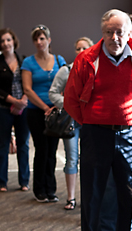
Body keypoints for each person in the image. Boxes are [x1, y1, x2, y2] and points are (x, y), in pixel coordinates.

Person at [64, 9, 132, 231]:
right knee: (93, 196)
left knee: (131, 195)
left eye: (120, 32)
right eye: (109, 32)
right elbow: (71, 100)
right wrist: (91, 121)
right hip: (96, 134)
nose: (114, 38)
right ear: (102, 33)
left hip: (131, 135)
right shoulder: (86, 60)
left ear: (130, 34)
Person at [21, 24, 66, 203]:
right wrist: (45, 108)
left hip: (56, 112)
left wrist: (56, 105)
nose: (39, 42)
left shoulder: (59, 60)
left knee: (52, 151)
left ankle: (51, 189)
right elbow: (27, 89)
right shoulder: (28, 62)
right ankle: (39, 189)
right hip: (36, 112)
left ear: (49, 40)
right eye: (36, 39)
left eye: (42, 38)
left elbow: (67, 82)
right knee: (41, 149)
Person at [49, 37, 93, 209]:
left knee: (90, 159)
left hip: (91, 120)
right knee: (72, 158)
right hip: (72, 120)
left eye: (84, 48)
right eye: (78, 48)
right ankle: (71, 198)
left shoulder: (97, 69)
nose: (81, 51)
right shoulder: (66, 70)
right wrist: (70, 104)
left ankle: (89, 198)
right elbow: (53, 93)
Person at [0, 28, 30, 193]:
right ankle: (1, 181)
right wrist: (14, 102)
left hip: (24, 107)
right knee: (3, 144)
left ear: (14, 41)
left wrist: (24, 101)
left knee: (23, 144)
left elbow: (30, 83)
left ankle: (24, 181)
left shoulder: (24, 61)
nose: (6, 43)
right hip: (2, 109)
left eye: (8, 40)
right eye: (2, 41)